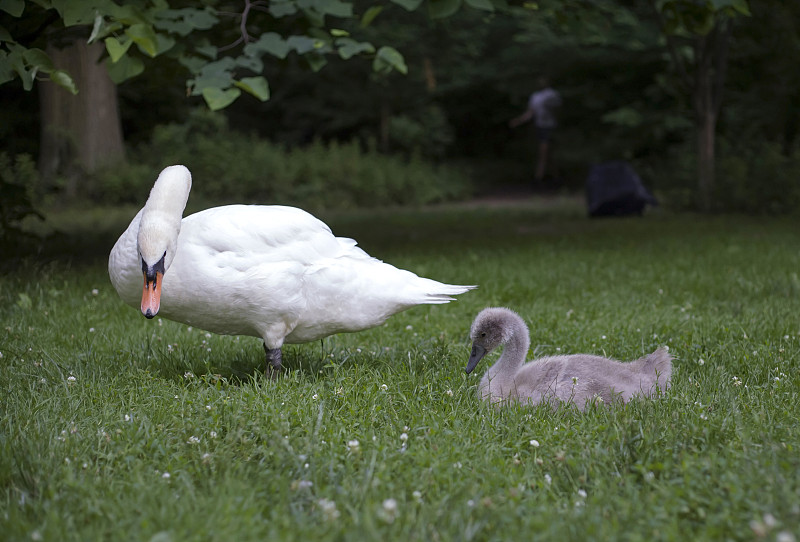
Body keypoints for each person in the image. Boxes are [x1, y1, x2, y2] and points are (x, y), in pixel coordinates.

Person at [509, 76, 562, 188]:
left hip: (550, 126)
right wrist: (518, 120)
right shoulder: (535, 97)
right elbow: (530, 112)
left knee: (544, 152)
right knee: (547, 153)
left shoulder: (552, 94)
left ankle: (538, 178)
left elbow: (558, 110)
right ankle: (555, 178)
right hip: (539, 127)